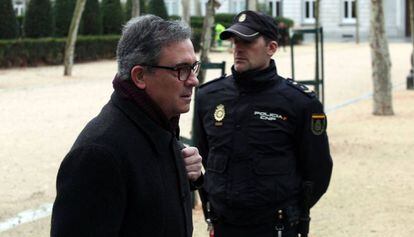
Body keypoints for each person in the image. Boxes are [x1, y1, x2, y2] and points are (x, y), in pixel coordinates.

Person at [51, 15, 203, 237]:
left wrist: (189, 176)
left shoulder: (159, 123)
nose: (193, 80)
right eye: (181, 69)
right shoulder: (98, 154)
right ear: (140, 76)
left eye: (193, 67)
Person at [194, 10, 333, 237]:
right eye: (235, 40)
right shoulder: (209, 97)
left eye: (247, 41)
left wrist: (290, 211)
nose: (238, 47)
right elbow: (206, 154)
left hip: (274, 226)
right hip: (224, 224)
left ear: (272, 48)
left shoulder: (299, 103)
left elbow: (318, 171)